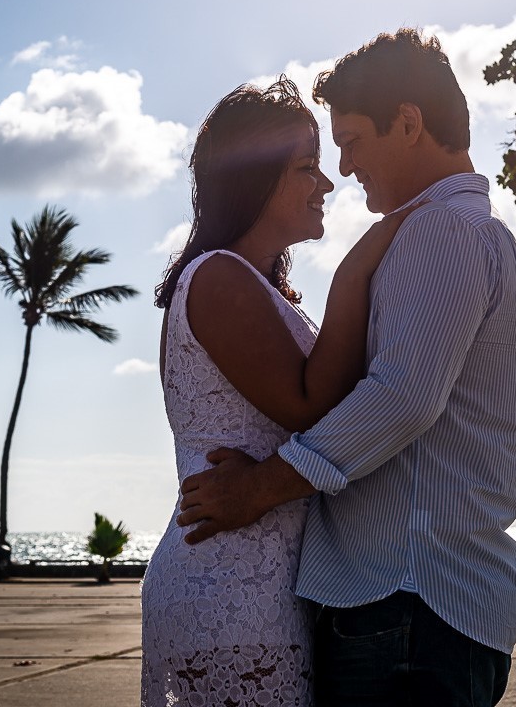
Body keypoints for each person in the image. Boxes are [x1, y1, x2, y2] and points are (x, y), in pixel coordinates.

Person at [177, 29, 516, 707]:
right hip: (413, 607)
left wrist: (257, 490)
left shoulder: (442, 230)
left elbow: (402, 399)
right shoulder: (456, 229)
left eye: (351, 141)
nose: (343, 166)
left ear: (408, 123)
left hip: (405, 602)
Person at [140, 77, 414, 706]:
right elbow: (312, 406)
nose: (327, 183)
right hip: (229, 590)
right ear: (256, 179)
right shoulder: (219, 278)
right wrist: (356, 270)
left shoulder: (244, 282)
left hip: (257, 584)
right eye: (307, 167)